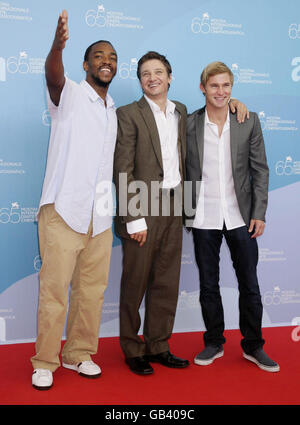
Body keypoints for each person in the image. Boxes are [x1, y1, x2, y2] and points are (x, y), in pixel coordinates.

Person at [113, 52, 247, 375]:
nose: (152, 77)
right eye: (145, 73)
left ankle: (158, 344)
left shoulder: (182, 113)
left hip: (177, 205)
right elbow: (123, 168)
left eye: (158, 72)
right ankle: (133, 349)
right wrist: (133, 217)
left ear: (169, 77)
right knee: (135, 282)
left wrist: (234, 103)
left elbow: (215, 111)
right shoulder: (128, 114)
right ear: (140, 80)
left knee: (166, 281)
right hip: (142, 207)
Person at [31, 10, 118, 389]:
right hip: (63, 210)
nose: (106, 62)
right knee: (54, 293)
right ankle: (45, 361)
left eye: (113, 58)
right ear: (85, 64)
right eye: (99, 56)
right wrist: (57, 46)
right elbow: (53, 75)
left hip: (99, 215)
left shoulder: (113, 109)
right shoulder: (68, 95)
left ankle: (79, 354)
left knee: (92, 292)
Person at [186, 61, 280, 372]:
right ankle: (214, 342)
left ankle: (254, 346)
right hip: (203, 217)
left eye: (226, 86)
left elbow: (260, 170)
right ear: (203, 88)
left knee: (249, 284)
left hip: (241, 216)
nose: (221, 91)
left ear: (232, 88)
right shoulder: (188, 124)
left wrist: (259, 212)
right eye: (214, 86)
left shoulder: (247, 121)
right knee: (208, 285)